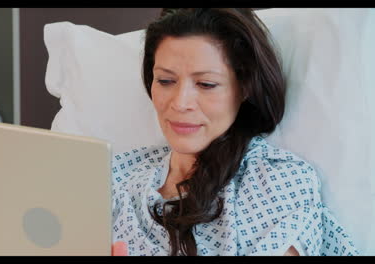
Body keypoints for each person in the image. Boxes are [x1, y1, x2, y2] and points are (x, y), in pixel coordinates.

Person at [110, 8, 359, 256]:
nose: (180, 102)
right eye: (165, 81)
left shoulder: (277, 181)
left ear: (244, 88)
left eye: (206, 84)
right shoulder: (115, 176)